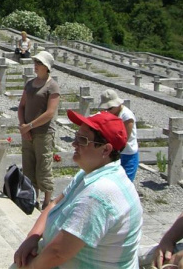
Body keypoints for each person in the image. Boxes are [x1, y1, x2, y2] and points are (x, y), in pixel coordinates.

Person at [14, 110, 142, 269]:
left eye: (82, 140)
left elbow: (58, 253)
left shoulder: (100, 193)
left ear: (106, 150)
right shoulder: (90, 173)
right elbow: (55, 203)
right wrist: (32, 237)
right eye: (76, 136)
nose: (74, 143)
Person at [18, 51, 60, 209]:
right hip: (28, 131)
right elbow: (22, 106)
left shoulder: (52, 86)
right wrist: (23, 126)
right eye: (35, 62)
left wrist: (29, 126)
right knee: (28, 165)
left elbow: (50, 113)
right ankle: (32, 197)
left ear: (46, 67)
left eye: (39, 63)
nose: (35, 66)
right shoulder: (29, 84)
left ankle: (47, 201)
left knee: (43, 167)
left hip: (44, 132)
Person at [98, 89, 139, 181]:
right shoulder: (110, 113)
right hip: (115, 153)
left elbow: (125, 138)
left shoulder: (126, 116)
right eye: (106, 108)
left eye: (110, 108)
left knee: (126, 182)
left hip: (127, 154)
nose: (107, 111)